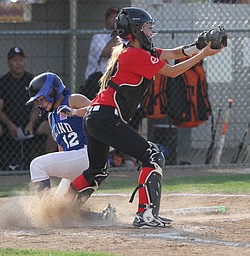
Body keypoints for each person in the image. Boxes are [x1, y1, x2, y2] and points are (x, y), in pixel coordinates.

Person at [60, 7, 224, 228]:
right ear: (135, 30)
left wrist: (198, 45)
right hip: (106, 118)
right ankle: (146, 215)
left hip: (95, 117)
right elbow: (173, 71)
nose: (150, 31)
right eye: (146, 27)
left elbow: (174, 53)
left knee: (97, 171)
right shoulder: (135, 55)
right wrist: (203, 54)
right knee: (154, 156)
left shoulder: (132, 51)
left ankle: (61, 209)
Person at [25, 72, 90, 196]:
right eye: (38, 101)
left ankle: (44, 211)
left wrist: (75, 112)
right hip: (74, 161)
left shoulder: (72, 99)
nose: (40, 104)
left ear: (52, 92)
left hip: (86, 154)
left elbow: (99, 110)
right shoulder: (51, 116)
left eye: (41, 99)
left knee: (37, 165)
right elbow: (62, 147)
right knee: (59, 208)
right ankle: (103, 216)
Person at [0, 46, 56, 170]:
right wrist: (9, 124)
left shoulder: (33, 81)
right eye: (14, 60)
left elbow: (37, 105)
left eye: (20, 60)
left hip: (30, 123)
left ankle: (50, 166)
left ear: (24, 61)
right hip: (8, 124)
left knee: (53, 126)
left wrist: (30, 123)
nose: (18, 63)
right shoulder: (3, 82)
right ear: (8, 62)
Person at [84, 6, 120, 82]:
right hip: (95, 78)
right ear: (106, 20)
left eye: (117, 18)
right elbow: (107, 53)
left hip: (112, 79)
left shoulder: (121, 37)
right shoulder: (98, 36)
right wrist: (116, 34)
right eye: (112, 17)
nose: (115, 20)